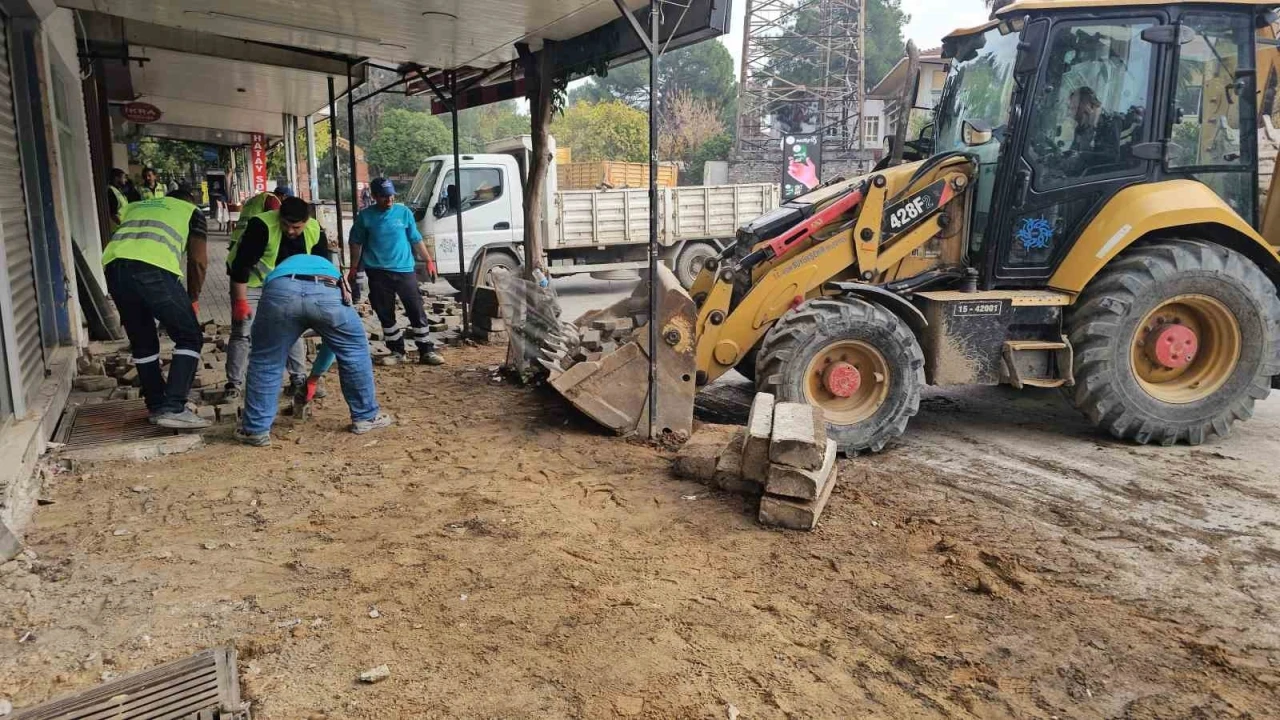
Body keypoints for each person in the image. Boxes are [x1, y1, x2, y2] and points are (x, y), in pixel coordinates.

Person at [235, 253, 392, 446]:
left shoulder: (281, 268)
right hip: (327, 290)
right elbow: (334, 345)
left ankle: (255, 430)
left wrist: (313, 379)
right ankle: (366, 418)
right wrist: (314, 377)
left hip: (280, 292)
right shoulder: (332, 270)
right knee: (354, 352)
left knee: (266, 359)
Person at [101, 186, 210, 429]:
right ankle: (173, 407)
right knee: (189, 336)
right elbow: (198, 260)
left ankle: (157, 405)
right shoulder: (192, 211)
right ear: (189, 201)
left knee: (143, 342)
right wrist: (192, 297)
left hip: (114, 269)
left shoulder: (137, 206)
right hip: (153, 269)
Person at [224, 196, 328, 399]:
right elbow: (240, 267)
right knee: (242, 331)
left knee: (292, 329)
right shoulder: (261, 226)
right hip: (251, 284)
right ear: (279, 216)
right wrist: (240, 302)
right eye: (286, 224)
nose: (290, 231)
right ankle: (233, 384)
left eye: (296, 227)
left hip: (285, 287)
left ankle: (298, 378)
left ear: (306, 222)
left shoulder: (314, 230)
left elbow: (321, 268)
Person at [348, 177, 443, 366]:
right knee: (385, 312)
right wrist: (353, 267)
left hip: (405, 270)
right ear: (374, 196)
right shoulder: (365, 217)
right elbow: (356, 242)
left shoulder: (404, 213)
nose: (389, 199)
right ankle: (397, 350)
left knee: (415, 309)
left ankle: (426, 350)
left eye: (391, 195)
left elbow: (416, 239)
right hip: (377, 272)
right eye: (384, 196)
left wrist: (429, 260)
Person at [227, 184, 289, 270]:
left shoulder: (256, 198)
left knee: (237, 268)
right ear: (284, 196)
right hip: (248, 237)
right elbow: (275, 219)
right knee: (247, 269)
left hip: (237, 237)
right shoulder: (272, 199)